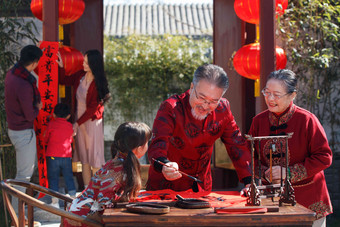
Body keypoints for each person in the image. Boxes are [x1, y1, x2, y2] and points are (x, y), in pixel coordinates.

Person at [146, 64, 251, 192]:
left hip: (201, 188)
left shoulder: (223, 109)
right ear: (191, 87)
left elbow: (236, 144)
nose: (205, 106)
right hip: (165, 188)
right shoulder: (171, 108)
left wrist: (249, 182)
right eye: (201, 98)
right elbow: (158, 144)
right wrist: (164, 164)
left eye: (213, 101)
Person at [248, 69, 332, 226]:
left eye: (277, 95)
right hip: (271, 200)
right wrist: (264, 173)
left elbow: (324, 157)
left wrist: (289, 173)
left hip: (308, 197)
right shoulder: (258, 121)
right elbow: (250, 156)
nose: (270, 98)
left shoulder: (307, 120)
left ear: (292, 95)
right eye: (267, 92)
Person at [64, 122, 152, 227]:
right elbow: (103, 203)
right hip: (83, 219)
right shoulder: (119, 169)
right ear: (139, 148)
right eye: (147, 142)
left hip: (80, 211)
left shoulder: (118, 162)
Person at [57, 49, 110, 188]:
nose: (83, 64)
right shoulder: (80, 75)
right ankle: (87, 190)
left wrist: (76, 123)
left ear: (94, 64)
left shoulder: (99, 83)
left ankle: (98, 191)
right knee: (84, 158)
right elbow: (63, 80)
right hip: (79, 122)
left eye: (87, 62)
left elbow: (93, 109)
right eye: (84, 61)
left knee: (95, 158)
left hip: (92, 123)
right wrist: (61, 66)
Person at [5, 45, 43, 218]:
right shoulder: (25, 84)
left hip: (14, 127)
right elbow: (30, 115)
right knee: (23, 176)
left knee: (22, 175)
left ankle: (18, 214)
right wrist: (38, 108)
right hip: (23, 131)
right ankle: (18, 217)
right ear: (35, 63)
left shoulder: (12, 73)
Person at [44, 103, 76, 208]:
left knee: (53, 178)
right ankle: (73, 201)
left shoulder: (51, 125)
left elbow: (45, 139)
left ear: (54, 115)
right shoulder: (70, 126)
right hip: (66, 156)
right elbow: (70, 140)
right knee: (69, 178)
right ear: (68, 116)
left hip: (53, 156)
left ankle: (55, 203)